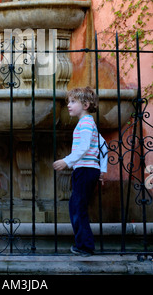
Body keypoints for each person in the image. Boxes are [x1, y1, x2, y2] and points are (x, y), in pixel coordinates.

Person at [53, 86, 108, 256]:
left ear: (85, 105)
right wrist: (102, 170)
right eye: (68, 101)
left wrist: (66, 161)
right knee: (78, 206)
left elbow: (84, 147)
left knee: (77, 207)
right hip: (88, 170)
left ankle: (84, 246)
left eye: (73, 102)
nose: (69, 105)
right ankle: (84, 244)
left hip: (84, 170)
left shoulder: (85, 124)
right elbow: (104, 146)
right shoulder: (89, 123)